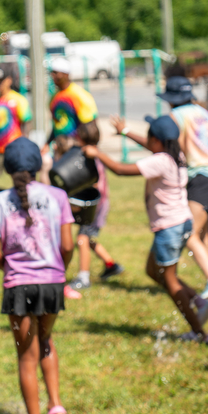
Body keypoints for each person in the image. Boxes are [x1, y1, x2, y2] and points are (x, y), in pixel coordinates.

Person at [83, 115, 208, 342]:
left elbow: (121, 169)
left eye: (149, 138)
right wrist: (125, 131)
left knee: (170, 281)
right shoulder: (176, 155)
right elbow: (151, 146)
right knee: (153, 271)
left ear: (156, 140)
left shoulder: (161, 161)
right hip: (180, 222)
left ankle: (199, 333)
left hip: (169, 228)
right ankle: (198, 300)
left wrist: (98, 154)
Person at [0, 137, 74, 414]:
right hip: (52, 283)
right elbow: (67, 245)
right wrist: (60, 270)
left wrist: (11, 269)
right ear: (37, 165)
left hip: (18, 287)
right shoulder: (58, 196)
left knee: (27, 356)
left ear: (7, 168)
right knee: (46, 341)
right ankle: (56, 406)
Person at [114, 75, 208, 300]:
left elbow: (159, 145)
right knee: (207, 237)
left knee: (189, 233)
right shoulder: (202, 111)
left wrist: (126, 131)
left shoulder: (175, 117)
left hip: (200, 176)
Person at [65, 121, 123, 292]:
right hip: (101, 204)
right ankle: (111, 265)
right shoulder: (94, 153)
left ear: (80, 137)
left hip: (94, 206)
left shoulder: (90, 157)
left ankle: (84, 278)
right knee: (87, 238)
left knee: (82, 239)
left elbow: (95, 184)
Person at [0, 68, 32, 187]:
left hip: (15, 147)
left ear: (9, 80)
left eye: (2, 80)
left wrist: (26, 143)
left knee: (20, 179)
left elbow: (26, 123)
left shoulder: (19, 99)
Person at [48, 57, 97, 143]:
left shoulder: (79, 95)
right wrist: (47, 143)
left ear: (66, 74)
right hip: (60, 147)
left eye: (56, 72)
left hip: (76, 147)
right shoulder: (54, 97)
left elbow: (90, 125)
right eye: (52, 72)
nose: (53, 75)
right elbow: (57, 124)